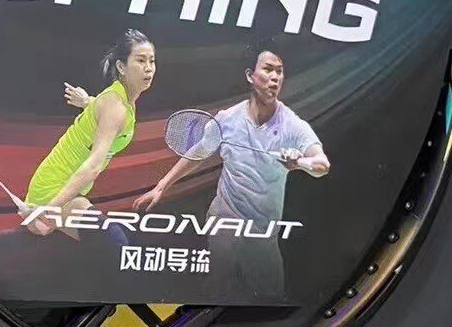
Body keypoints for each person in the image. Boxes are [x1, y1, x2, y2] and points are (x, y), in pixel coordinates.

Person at [135, 46, 329, 298]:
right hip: (226, 217)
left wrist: (301, 161)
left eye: (279, 72)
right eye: (268, 69)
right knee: (219, 286)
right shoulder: (227, 119)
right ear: (250, 75)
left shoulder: (292, 125)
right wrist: (161, 186)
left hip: (262, 230)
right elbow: (199, 152)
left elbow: (322, 164)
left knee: (270, 297)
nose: (275, 77)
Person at [25, 31, 156, 236]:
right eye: (141, 60)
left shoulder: (122, 101)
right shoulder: (115, 106)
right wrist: (49, 210)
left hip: (71, 189)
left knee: (102, 243)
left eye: (152, 61)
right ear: (121, 67)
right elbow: (93, 166)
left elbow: (101, 110)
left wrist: (87, 102)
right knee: (112, 240)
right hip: (54, 191)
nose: (148, 68)